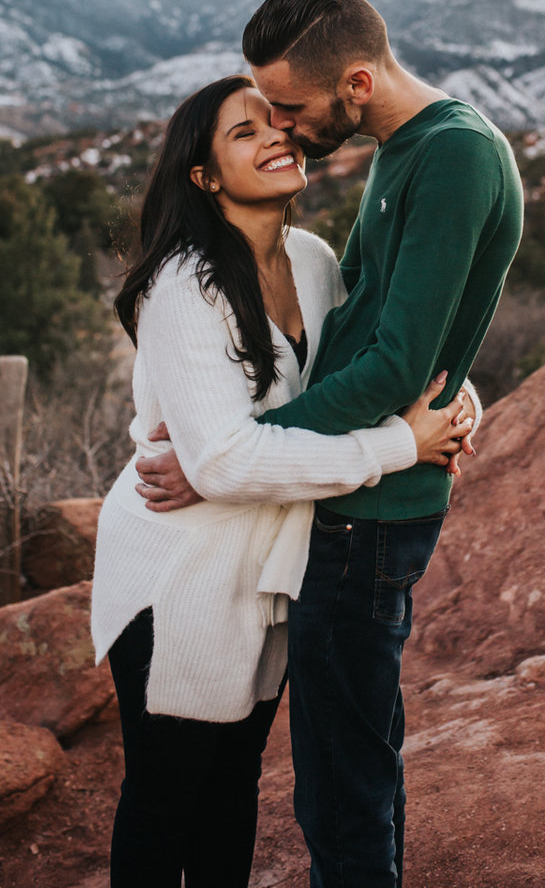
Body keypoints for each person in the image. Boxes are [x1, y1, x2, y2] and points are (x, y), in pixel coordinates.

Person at [137, 0, 524, 888]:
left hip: (368, 513)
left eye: (289, 105)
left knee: (342, 787)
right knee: (348, 765)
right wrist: (457, 392)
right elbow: (367, 323)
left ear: (354, 82)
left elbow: (393, 365)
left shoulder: (454, 155)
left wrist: (222, 456)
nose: (282, 125)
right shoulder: (403, 149)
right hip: (347, 490)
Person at [89, 73, 473, 888]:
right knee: (165, 800)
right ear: (203, 176)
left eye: (278, 123)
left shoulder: (311, 259)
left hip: (271, 571)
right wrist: (399, 446)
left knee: (232, 789)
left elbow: (372, 370)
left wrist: (459, 397)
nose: (277, 137)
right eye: (243, 133)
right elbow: (225, 462)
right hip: (179, 576)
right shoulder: (182, 286)